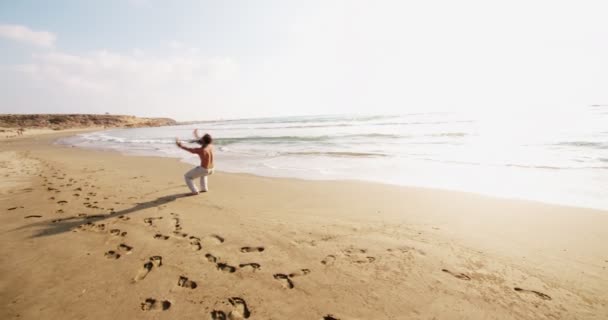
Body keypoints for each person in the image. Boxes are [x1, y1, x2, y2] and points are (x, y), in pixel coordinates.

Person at [176, 129, 215, 195]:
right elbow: (201, 142)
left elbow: (190, 150)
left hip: (204, 169)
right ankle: (204, 188)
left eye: (202, 139)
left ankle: (195, 191)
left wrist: (180, 146)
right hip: (212, 169)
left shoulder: (202, 150)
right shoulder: (211, 146)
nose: (201, 139)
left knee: (187, 177)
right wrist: (196, 135)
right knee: (204, 174)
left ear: (203, 141)